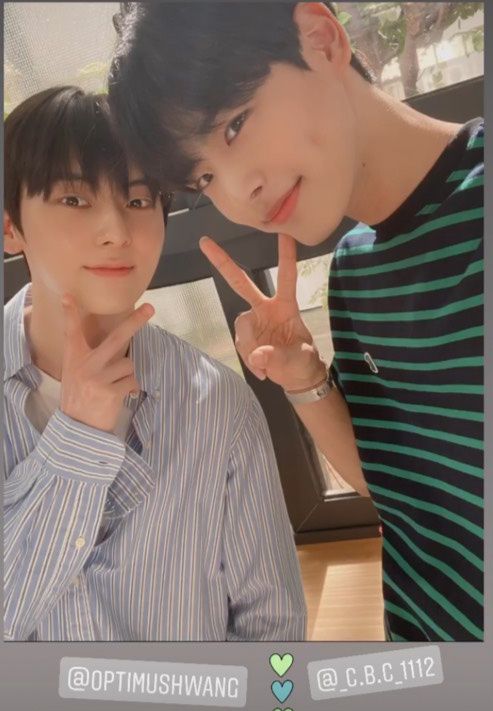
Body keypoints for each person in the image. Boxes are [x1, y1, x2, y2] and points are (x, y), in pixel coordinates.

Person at [108, 2, 484, 642]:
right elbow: (395, 487)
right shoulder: (355, 271)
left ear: (320, 38)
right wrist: (303, 379)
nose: (238, 195)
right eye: (205, 178)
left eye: (234, 125)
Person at [3, 86, 306, 641]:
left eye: (139, 201)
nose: (117, 232)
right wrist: (77, 442)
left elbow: (273, 628)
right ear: (9, 226)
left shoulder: (217, 404)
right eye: (74, 199)